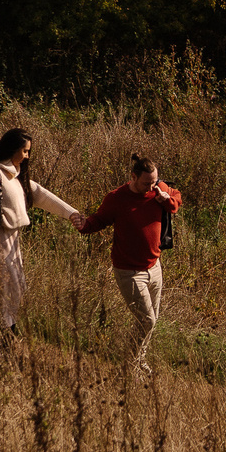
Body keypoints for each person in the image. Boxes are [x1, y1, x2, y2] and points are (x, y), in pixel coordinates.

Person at [0, 128, 83, 333]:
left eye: (29, 151)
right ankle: (1, 336)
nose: (27, 156)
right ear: (11, 149)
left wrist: (71, 213)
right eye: (25, 151)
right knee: (4, 292)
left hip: (12, 242)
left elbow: (40, 195)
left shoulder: (15, 176)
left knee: (15, 290)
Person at [79, 153, 183, 371]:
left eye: (154, 181)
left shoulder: (158, 189)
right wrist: (83, 225)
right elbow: (100, 220)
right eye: (146, 183)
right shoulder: (117, 198)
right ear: (133, 177)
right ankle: (129, 366)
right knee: (147, 321)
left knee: (151, 321)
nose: (151, 187)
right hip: (129, 271)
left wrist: (166, 199)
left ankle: (139, 360)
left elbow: (176, 201)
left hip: (154, 266)